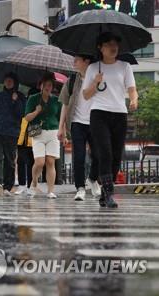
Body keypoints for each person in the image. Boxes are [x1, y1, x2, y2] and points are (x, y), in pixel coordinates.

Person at [82, 32, 138, 208]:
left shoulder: (125, 66)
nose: (113, 47)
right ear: (100, 47)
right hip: (99, 113)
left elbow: (132, 88)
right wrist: (95, 83)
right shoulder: (93, 68)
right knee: (104, 152)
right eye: (108, 44)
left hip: (120, 114)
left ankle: (105, 190)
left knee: (116, 156)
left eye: (115, 44)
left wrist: (134, 99)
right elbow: (85, 95)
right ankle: (108, 193)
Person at [58, 54, 101, 201]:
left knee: (98, 155)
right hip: (77, 123)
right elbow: (64, 104)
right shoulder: (71, 81)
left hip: (95, 123)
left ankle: (93, 179)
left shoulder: (98, 78)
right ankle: (80, 188)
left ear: (86, 61)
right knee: (79, 157)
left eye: (77, 60)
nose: (74, 62)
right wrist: (61, 127)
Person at [0, 72, 26, 196]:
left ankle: (7, 187)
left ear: (15, 83)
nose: (8, 82)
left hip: (12, 132)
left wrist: (15, 102)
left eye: (10, 80)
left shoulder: (20, 97)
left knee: (10, 160)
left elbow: (21, 114)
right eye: (6, 80)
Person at [25, 73, 61, 199]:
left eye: (50, 85)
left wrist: (64, 134)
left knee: (50, 161)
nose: (47, 87)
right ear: (40, 86)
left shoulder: (56, 100)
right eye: (45, 85)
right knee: (39, 162)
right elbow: (27, 117)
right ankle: (34, 183)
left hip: (53, 132)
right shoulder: (33, 99)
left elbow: (61, 118)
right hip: (38, 133)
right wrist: (37, 111)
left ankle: (50, 190)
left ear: (52, 87)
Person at [15, 117, 34, 195]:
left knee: (32, 163)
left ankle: (30, 186)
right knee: (21, 161)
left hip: (34, 138)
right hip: (21, 139)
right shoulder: (20, 106)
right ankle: (22, 185)